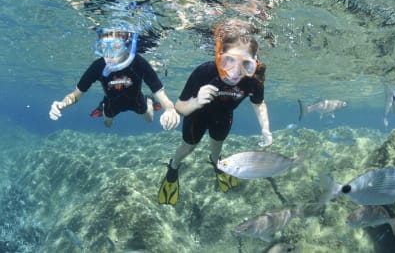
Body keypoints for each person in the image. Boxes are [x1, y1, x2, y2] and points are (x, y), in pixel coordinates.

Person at [158, 18, 273, 205]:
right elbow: (179, 107)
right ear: (219, 57)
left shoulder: (253, 80)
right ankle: (173, 167)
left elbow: (259, 104)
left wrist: (265, 128)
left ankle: (216, 163)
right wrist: (195, 102)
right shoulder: (205, 72)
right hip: (197, 116)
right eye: (229, 61)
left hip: (223, 117)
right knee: (188, 147)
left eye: (245, 65)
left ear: (254, 64)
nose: (235, 72)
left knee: (217, 145)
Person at [49, 24, 180, 131]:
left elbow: (160, 93)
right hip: (112, 103)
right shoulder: (98, 66)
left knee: (150, 119)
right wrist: (62, 104)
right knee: (107, 124)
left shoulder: (139, 63)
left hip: (137, 100)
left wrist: (169, 108)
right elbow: (75, 95)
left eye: (116, 47)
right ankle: (103, 104)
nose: (108, 54)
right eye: (104, 47)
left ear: (128, 47)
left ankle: (149, 101)